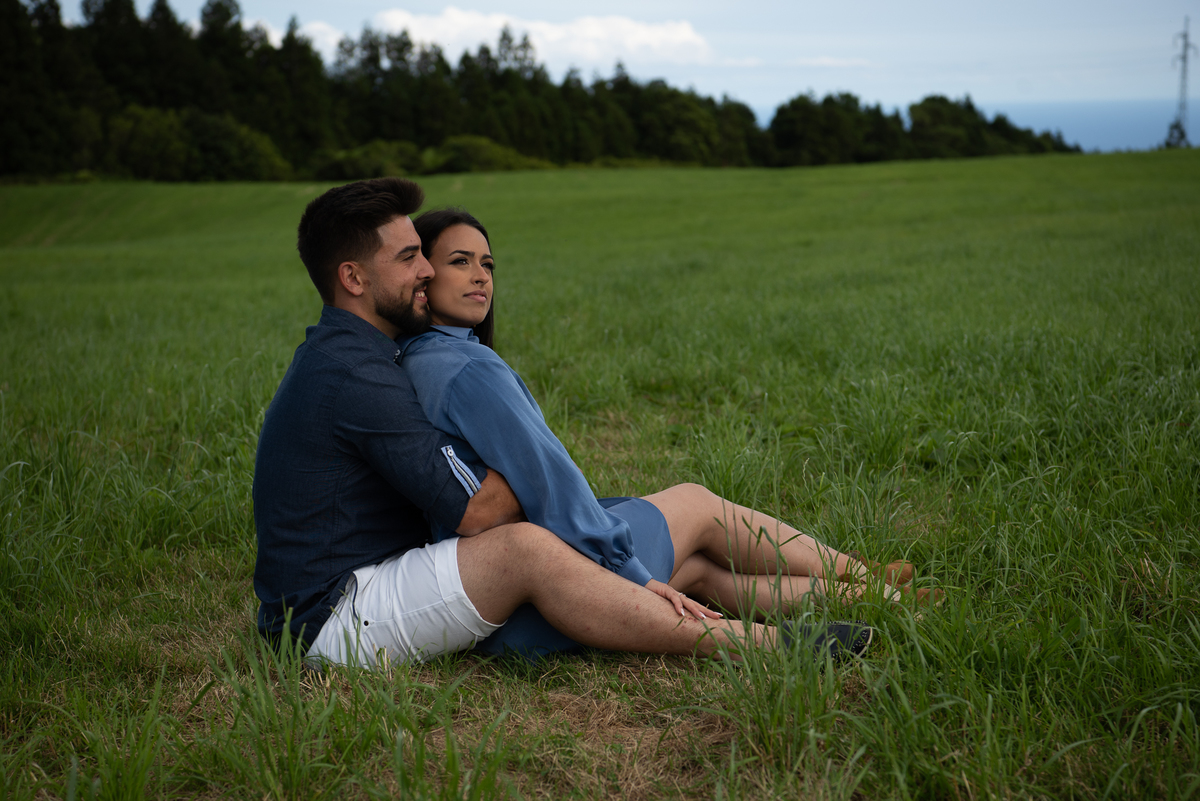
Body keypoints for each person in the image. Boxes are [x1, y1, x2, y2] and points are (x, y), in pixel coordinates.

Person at [252, 177, 874, 671]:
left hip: (363, 587)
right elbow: (477, 510)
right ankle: (762, 645)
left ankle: (865, 594)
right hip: (332, 617)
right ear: (353, 277)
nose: (426, 271)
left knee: (683, 564)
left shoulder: (360, 356)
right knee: (528, 547)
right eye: (410, 256)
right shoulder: (356, 374)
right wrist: (528, 463)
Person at [393, 206, 933, 661]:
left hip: (496, 614)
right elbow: (549, 480)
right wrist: (627, 568)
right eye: (459, 261)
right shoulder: (468, 369)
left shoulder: (414, 360)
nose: (481, 276)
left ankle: (876, 597)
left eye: (487, 263)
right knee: (696, 504)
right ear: (423, 276)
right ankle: (862, 576)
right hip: (556, 591)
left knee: (696, 570)